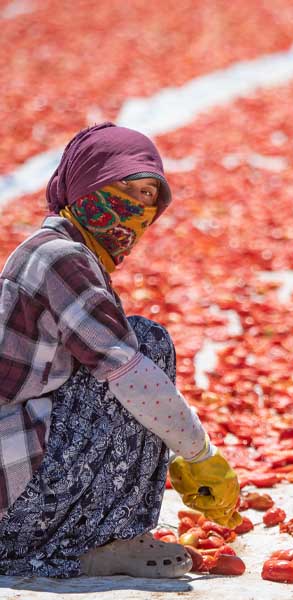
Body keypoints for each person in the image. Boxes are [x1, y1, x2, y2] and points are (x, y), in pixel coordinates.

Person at [0, 123, 240, 578]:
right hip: (13, 502)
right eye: (126, 189)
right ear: (86, 187)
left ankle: (87, 535)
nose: (138, 210)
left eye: (151, 197)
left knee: (135, 342)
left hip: (14, 486)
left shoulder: (62, 251)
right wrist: (199, 453)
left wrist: (175, 453)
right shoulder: (60, 258)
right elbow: (128, 375)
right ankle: (93, 541)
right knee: (146, 345)